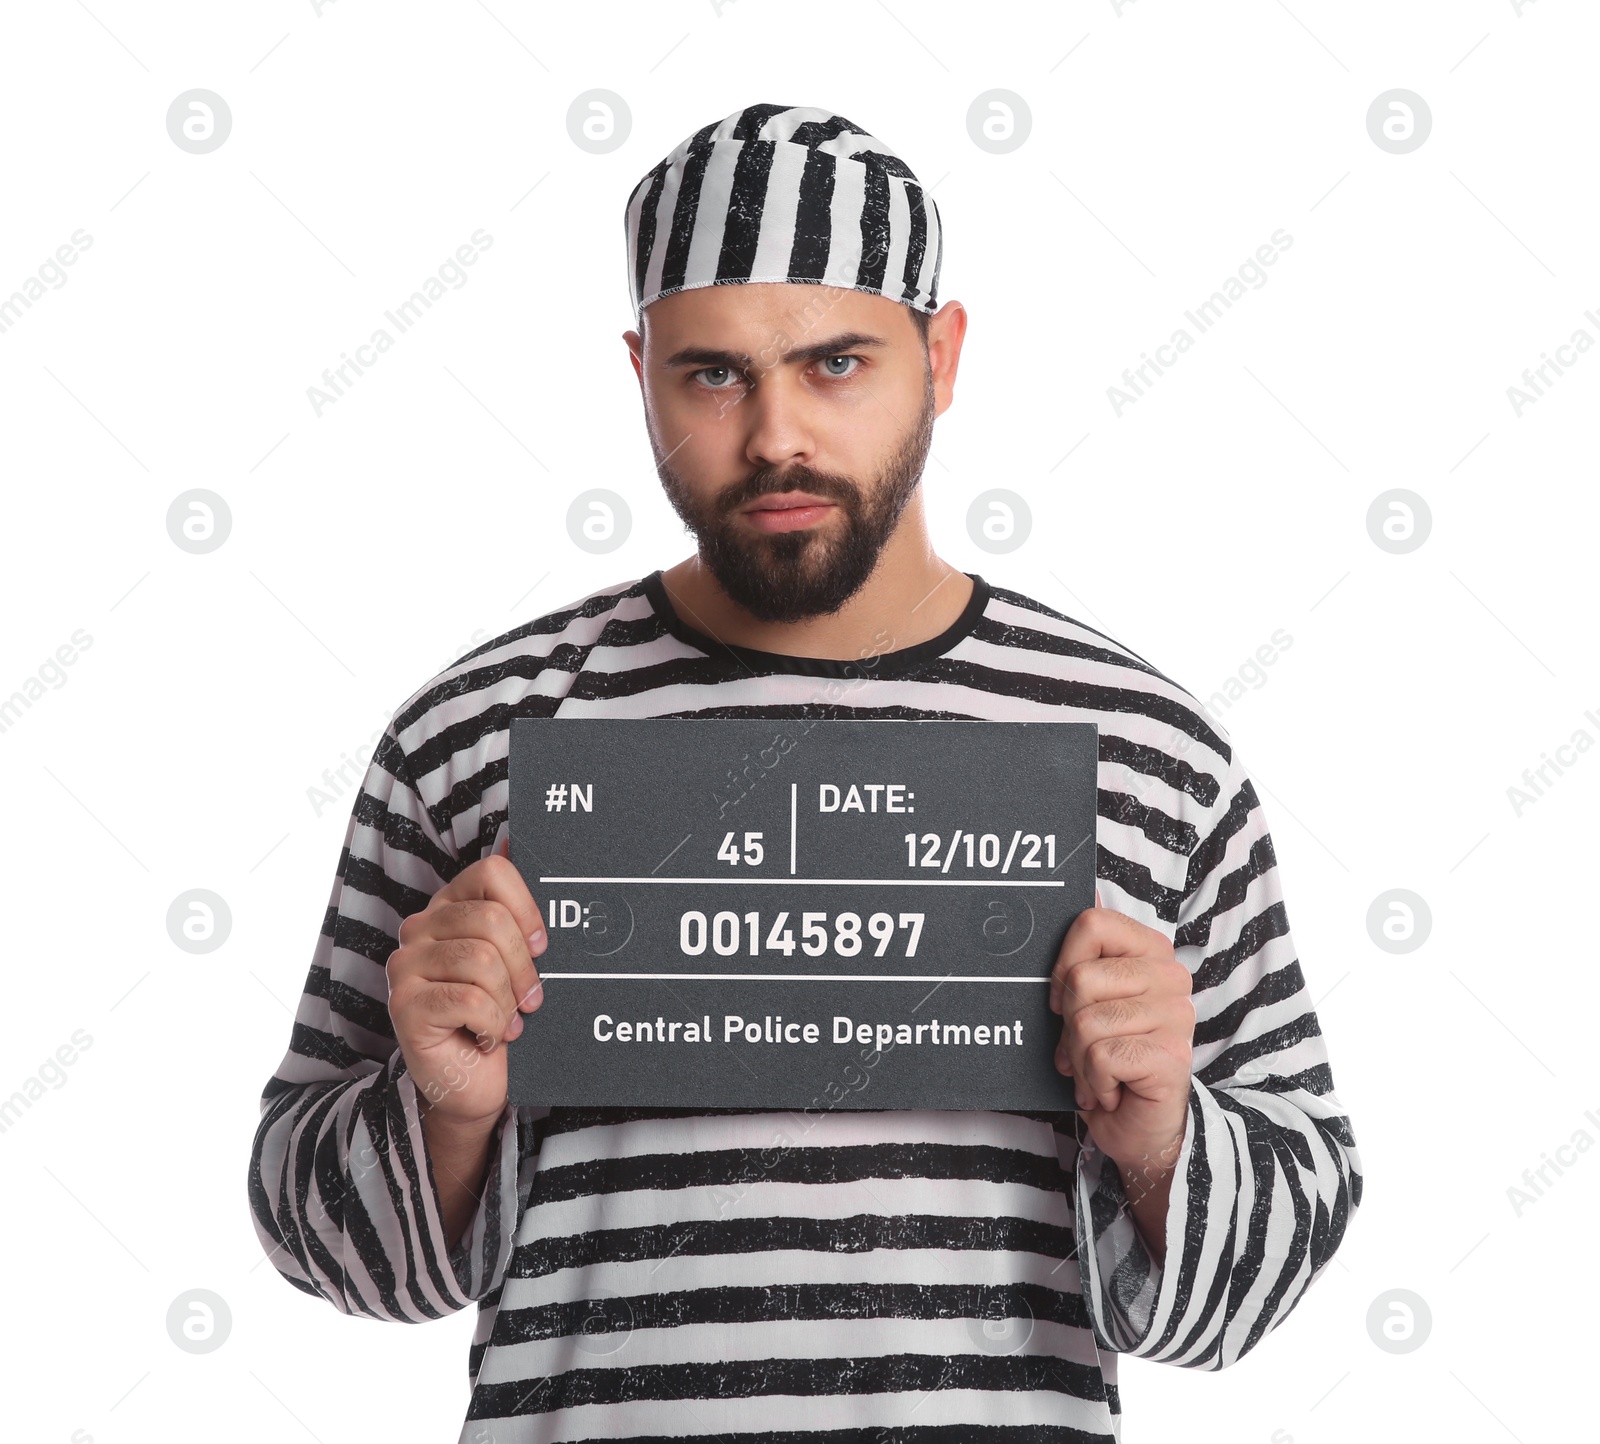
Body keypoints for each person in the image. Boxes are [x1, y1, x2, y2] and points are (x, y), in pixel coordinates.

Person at [249, 103, 1362, 1443]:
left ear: (942, 357)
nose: (776, 434)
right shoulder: (477, 734)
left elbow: (1277, 1259)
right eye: (713, 375)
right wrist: (440, 1106)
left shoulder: (1144, 749)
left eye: (837, 363)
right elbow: (317, 1241)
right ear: (640, 369)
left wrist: (1166, 1139)